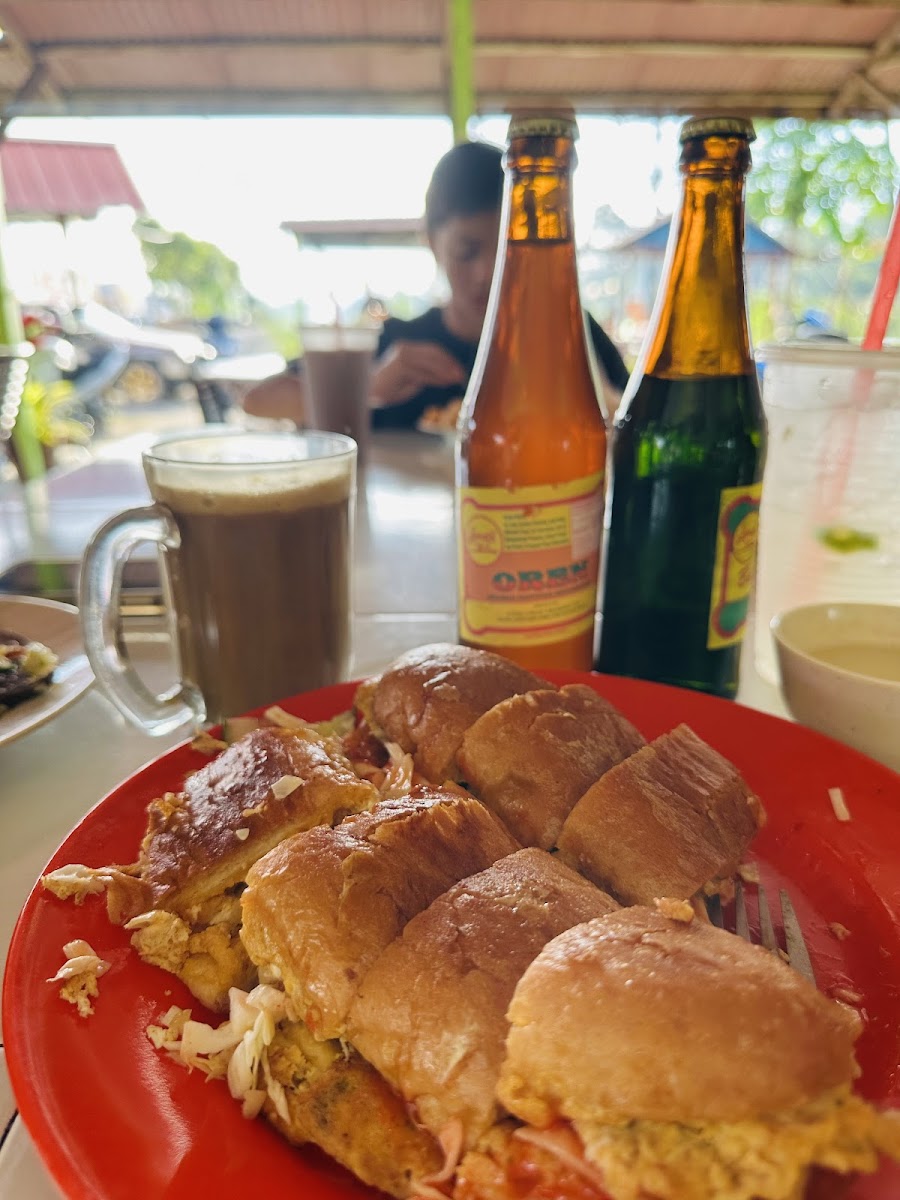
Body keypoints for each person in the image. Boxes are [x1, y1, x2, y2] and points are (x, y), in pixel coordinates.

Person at [242, 140, 629, 429]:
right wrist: (371, 388)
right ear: (431, 243)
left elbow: (631, 416)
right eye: (467, 251)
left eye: (506, 253)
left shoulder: (569, 337)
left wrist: (593, 395)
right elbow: (259, 401)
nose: (486, 273)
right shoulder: (398, 344)